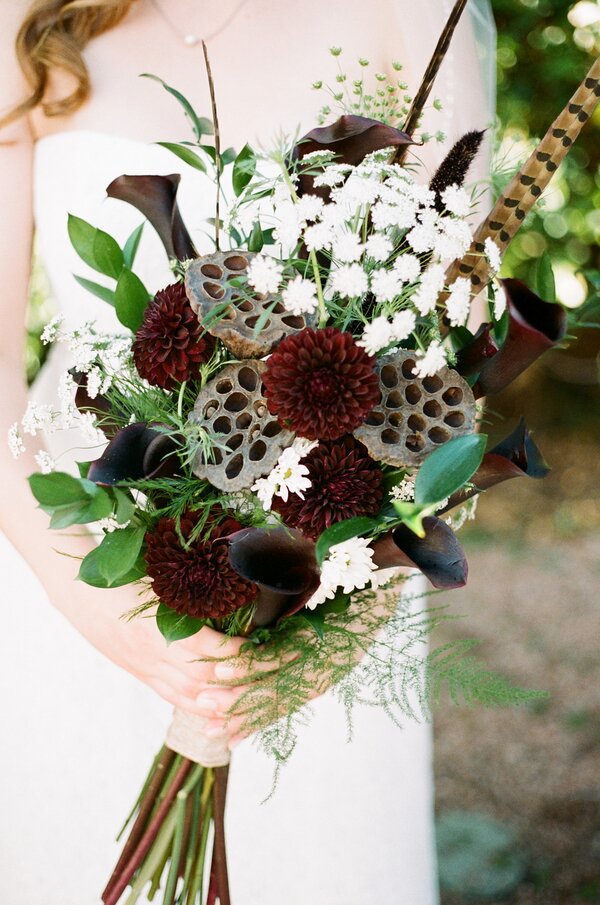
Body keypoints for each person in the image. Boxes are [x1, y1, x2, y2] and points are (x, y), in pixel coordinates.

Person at [0, 1, 495, 902]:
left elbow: (443, 379)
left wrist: (316, 644)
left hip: (324, 596)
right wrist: (99, 612)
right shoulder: (31, 20)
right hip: (65, 564)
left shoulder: (418, 16)